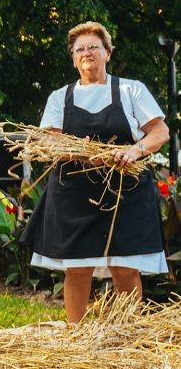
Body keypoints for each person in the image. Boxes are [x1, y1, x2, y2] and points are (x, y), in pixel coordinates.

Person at [21, 21, 169, 323]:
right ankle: (77, 338)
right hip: (75, 194)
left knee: (125, 267)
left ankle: (126, 335)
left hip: (125, 191)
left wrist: (134, 150)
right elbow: (50, 141)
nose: (86, 53)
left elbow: (160, 131)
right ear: (73, 58)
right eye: (80, 49)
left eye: (93, 47)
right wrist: (76, 151)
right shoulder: (60, 97)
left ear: (108, 53)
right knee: (77, 268)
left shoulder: (131, 89)